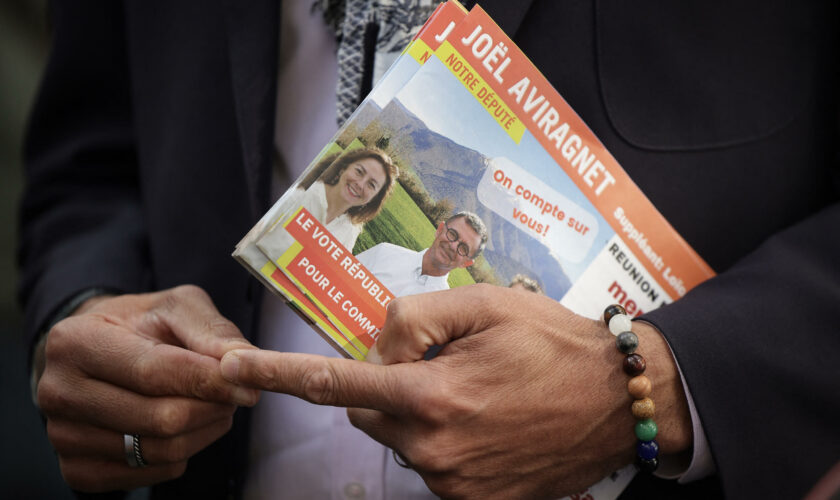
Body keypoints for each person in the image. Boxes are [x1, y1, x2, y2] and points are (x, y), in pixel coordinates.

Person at [19, 2, 838, 500]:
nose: (453, 236)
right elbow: (94, 149)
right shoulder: (378, 247)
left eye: (465, 235)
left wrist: (653, 383)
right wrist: (91, 308)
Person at [257, 147, 397, 256]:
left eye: (371, 185)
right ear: (343, 169)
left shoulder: (350, 231)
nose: (360, 184)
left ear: (373, 199)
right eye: (359, 171)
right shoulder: (299, 194)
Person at [355, 211, 488, 297]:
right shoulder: (384, 252)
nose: (453, 246)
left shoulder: (444, 310)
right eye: (452, 234)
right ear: (440, 229)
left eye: (463, 248)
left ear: (466, 263)